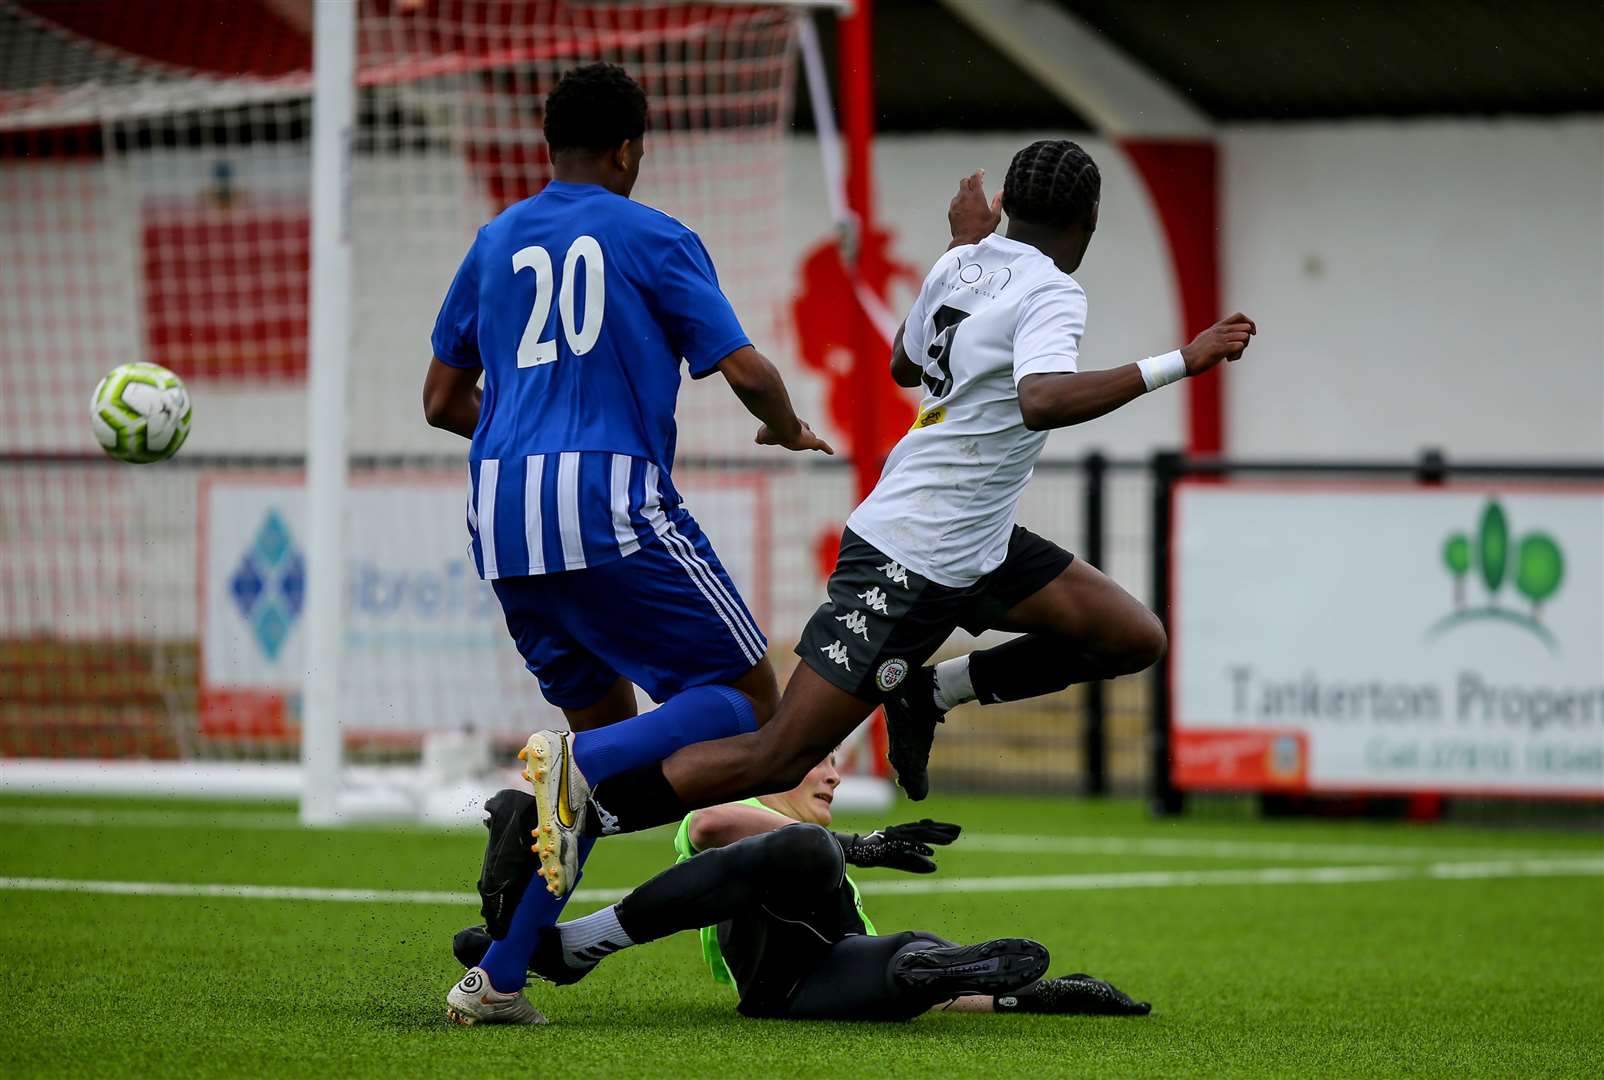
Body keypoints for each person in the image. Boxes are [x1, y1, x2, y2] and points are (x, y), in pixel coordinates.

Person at [525, 139, 1258, 846]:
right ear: (1088, 222)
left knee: (1131, 637)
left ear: (1007, 207)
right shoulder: (1054, 290)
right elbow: (1042, 399)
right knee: (778, 754)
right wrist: (1181, 361)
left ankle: (930, 693)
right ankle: (580, 812)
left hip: (977, 542)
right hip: (912, 557)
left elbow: (904, 365)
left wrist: (960, 247)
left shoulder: (965, 259)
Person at [424, 61, 831, 1023]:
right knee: (744, 703)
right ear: (627, 149)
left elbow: (442, 402)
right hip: (607, 503)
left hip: (501, 516)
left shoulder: (493, 242)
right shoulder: (653, 234)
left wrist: (522, 435)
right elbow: (746, 366)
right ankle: (578, 768)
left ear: (547, 147)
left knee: (599, 756)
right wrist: (782, 425)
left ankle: (502, 979)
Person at [450, 755, 1151, 1024]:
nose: (835, 775)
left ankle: (549, 941)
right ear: (771, 765)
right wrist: (853, 846)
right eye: (816, 760)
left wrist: (1030, 996)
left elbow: (872, 957)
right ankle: (569, 944)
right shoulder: (720, 824)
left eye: (838, 762)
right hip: (770, 976)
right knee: (807, 849)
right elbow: (721, 822)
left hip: (822, 984)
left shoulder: (824, 864)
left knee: (907, 960)